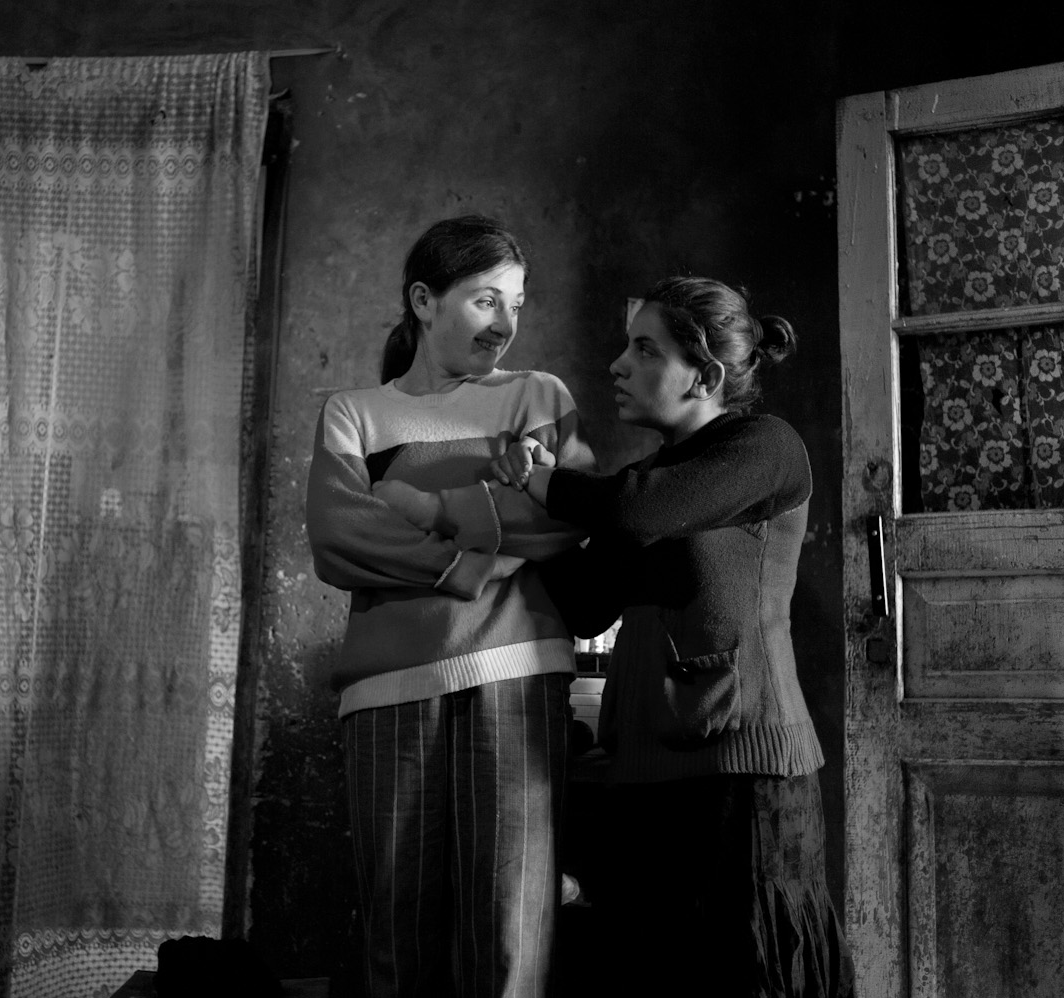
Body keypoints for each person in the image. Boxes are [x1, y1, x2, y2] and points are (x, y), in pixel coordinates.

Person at [377, 276, 855, 996]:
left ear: (705, 375)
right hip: (646, 774)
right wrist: (497, 507)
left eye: (643, 348)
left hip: (743, 774)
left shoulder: (764, 449)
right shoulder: (651, 477)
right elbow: (585, 601)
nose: (616, 366)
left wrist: (546, 485)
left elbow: (638, 512)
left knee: (748, 976)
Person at [304, 215, 591, 998]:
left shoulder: (538, 396)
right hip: (387, 686)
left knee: (511, 927)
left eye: (518, 304)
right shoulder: (353, 413)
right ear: (424, 301)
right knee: (399, 928)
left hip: (518, 671)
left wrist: (415, 505)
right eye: (486, 300)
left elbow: (565, 517)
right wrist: (485, 549)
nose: (506, 324)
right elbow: (339, 541)